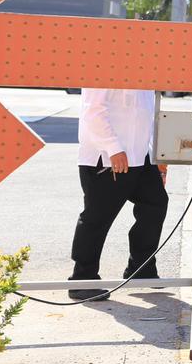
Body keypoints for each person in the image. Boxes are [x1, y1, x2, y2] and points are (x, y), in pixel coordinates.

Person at [69, 89, 169, 301]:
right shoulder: (102, 70)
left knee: (155, 203)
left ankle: (140, 269)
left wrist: (156, 154)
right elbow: (93, 112)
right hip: (107, 158)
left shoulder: (144, 75)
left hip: (140, 156)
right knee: (97, 217)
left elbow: (146, 116)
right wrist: (113, 148)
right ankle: (81, 280)